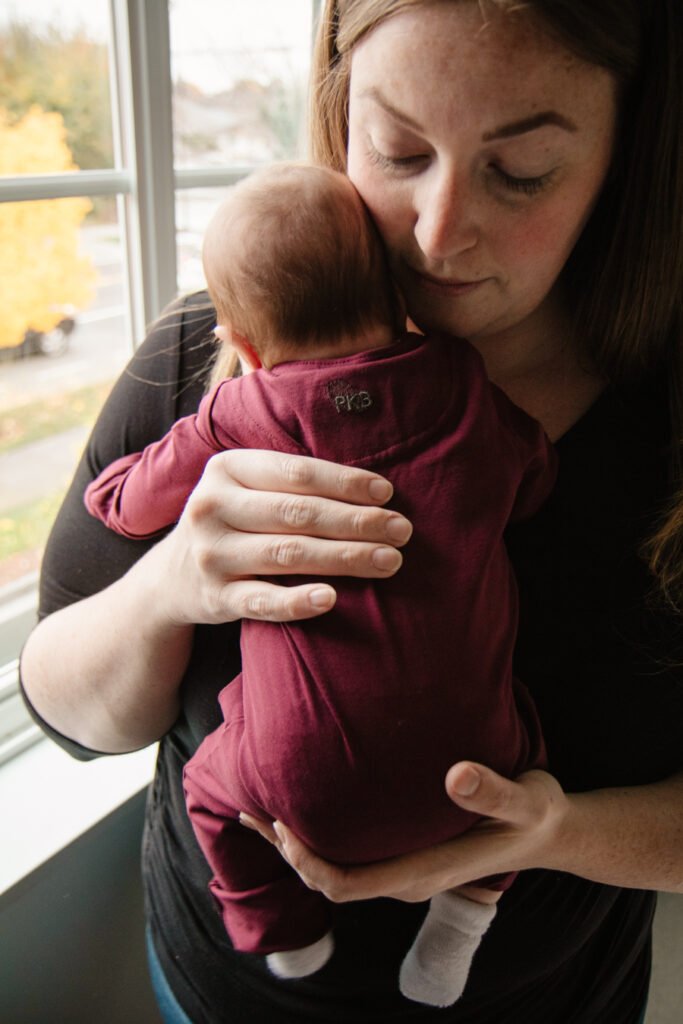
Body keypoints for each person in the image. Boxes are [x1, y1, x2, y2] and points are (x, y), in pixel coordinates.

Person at [18, 1, 683, 1022]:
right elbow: (66, 713)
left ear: (625, 150)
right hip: (211, 991)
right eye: (396, 147)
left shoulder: (663, 420)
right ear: (337, 110)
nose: (436, 230)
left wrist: (553, 830)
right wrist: (171, 584)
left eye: (520, 171)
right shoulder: (209, 352)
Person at [82, 161, 554, 1007]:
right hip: (477, 785)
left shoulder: (237, 413)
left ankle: (280, 930)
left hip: (299, 792)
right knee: (530, 749)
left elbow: (128, 504)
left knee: (209, 789)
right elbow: (532, 473)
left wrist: (109, 493)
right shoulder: (462, 383)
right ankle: (461, 922)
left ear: (247, 346)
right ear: (393, 296)